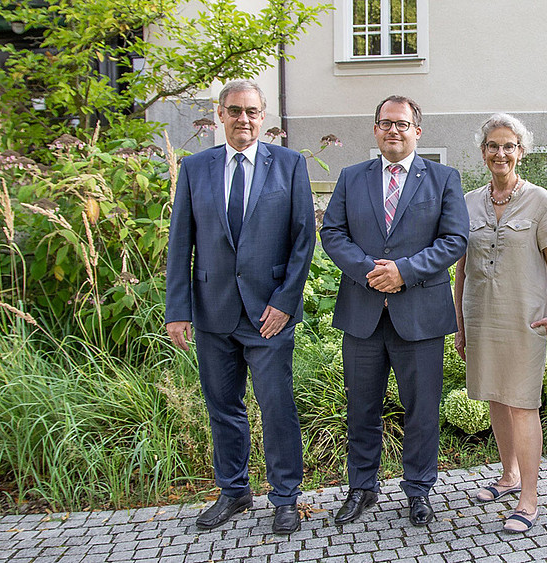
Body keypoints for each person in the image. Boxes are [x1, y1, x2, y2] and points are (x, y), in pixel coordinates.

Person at [165, 79, 315, 534]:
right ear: (221, 114)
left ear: (263, 116)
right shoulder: (195, 167)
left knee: (276, 405)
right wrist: (178, 309)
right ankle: (233, 492)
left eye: (251, 111)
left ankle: (285, 496)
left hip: (269, 313)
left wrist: (285, 302)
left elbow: (303, 240)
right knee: (222, 406)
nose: (243, 120)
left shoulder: (289, 165)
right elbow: (180, 244)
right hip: (213, 313)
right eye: (234, 111)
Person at [320, 95, 468, 527]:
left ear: (417, 130)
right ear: (375, 130)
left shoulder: (442, 178)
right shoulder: (351, 178)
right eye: (385, 123)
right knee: (361, 408)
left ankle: (418, 490)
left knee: (421, 409)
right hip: (363, 315)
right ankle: (361, 488)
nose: (393, 131)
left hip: (419, 315)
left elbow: (454, 239)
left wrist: (403, 271)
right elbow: (332, 233)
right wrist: (371, 271)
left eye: (402, 124)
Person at [453, 114, 547, 534]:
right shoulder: (466, 202)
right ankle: (508, 475)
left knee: (522, 402)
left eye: (509, 146)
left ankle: (529, 498)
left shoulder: (541, 201)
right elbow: (460, 271)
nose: (501, 153)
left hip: (525, 318)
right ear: (483, 152)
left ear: (521, 152)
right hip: (481, 315)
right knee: (496, 397)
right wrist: (460, 323)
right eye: (493, 146)